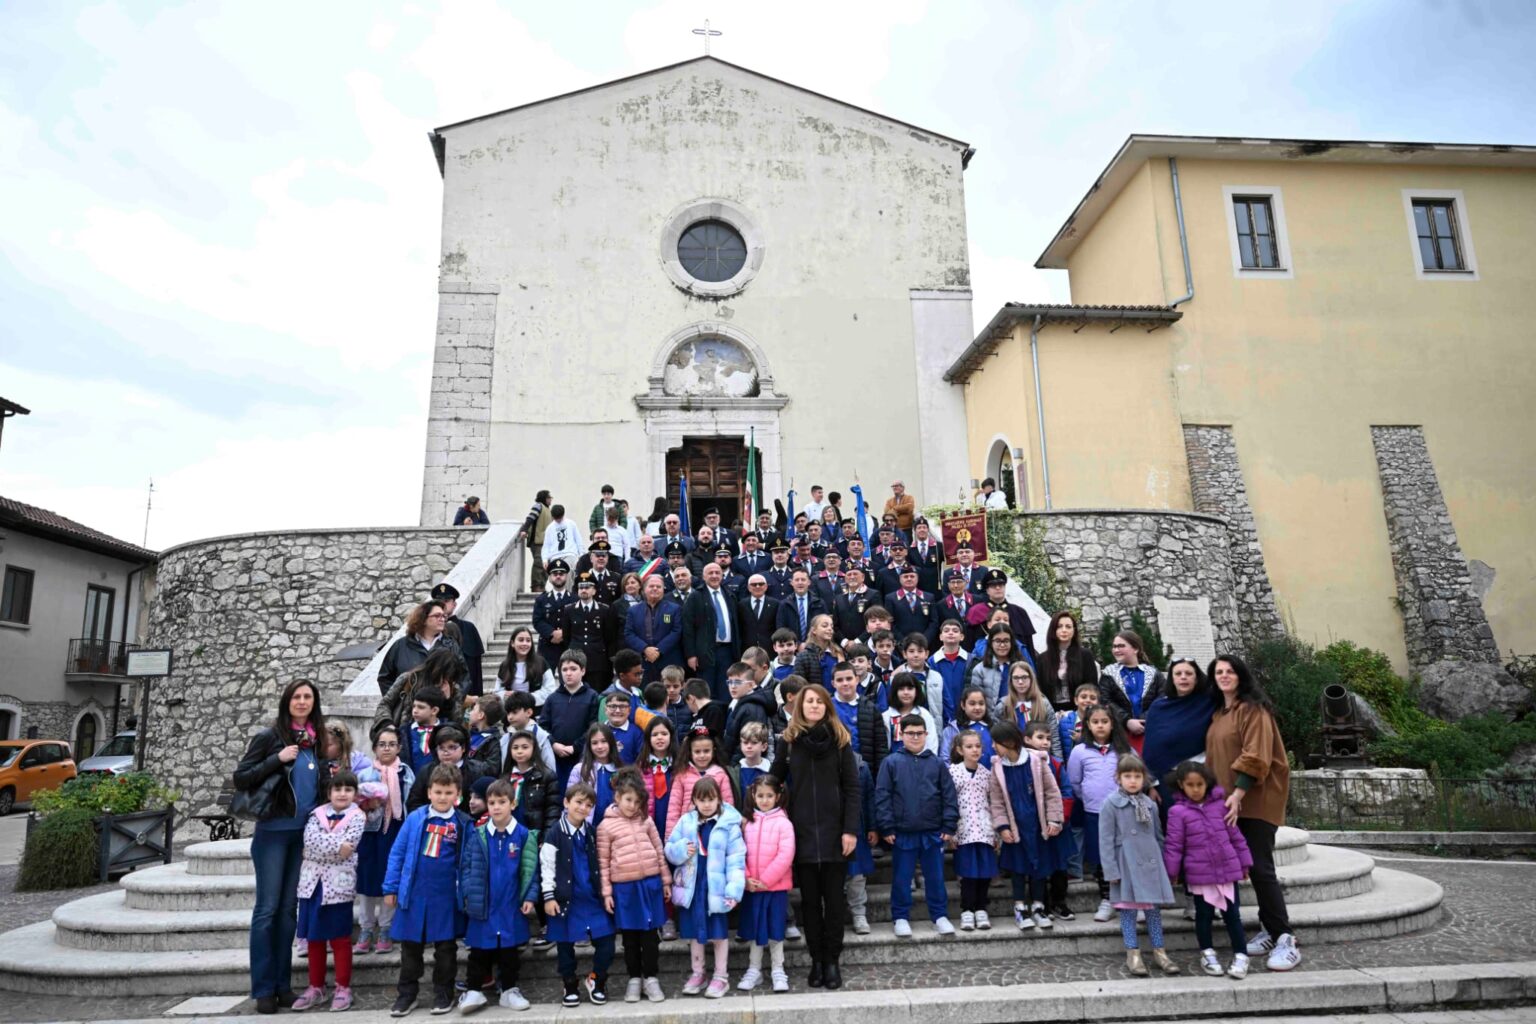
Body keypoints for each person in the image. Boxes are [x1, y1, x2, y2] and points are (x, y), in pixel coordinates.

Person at [235, 679, 331, 1015]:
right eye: (296, 697)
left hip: (301, 836)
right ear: (287, 702)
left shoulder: (317, 741)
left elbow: (319, 789)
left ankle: (282, 985)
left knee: (289, 913)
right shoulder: (270, 737)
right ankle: (262, 988)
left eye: (308, 697)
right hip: (273, 833)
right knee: (267, 911)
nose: (302, 702)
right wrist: (277, 758)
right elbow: (241, 777)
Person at [1205, 653, 1300, 972]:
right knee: (1247, 868)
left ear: (1241, 675)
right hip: (1229, 802)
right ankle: (1270, 930)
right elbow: (1215, 759)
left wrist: (1238, 792)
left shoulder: (1253, 710)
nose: (1224, 676)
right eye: (1218, 672)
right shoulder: (1221, 713)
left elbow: (1256, 755)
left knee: (1260, 867)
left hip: (1255, 800)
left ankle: (1285, 936)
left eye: (1230, 671)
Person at [768, 684, 859, 990]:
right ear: (799, 706)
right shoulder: (789, 741)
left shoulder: (841, 740)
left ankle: (832, 961)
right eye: (809, 701)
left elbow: (852, 789)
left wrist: (850, 829)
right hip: (801, 833)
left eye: (820, 701)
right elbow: (773, 782)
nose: (815, 706)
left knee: (834, 903)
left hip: (835, 834)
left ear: (827, 706)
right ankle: (816, 960)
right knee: (809, 903)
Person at [383, 764, 472, 1017]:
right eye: (438, 792)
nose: (443, 797)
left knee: (446, 949)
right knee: (410, 948)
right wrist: (391, 887)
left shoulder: (463, 824)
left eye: (448, 792)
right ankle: (407, 994)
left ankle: (444, 993)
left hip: (445, 897)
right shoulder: (415, 819)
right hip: (415, 894)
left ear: (458, 795)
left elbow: (468, 861)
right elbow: (398, 853)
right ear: (429, 792)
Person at [1163, 759, 1253, 980]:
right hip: (1199, 874)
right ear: (1181, 785)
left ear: (1207, 784)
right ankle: (1207, 952)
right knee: (1203, 916)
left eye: (1199, 784)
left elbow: (1236, 837)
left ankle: (1241, 955)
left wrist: (1245, 862)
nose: (1195, 790)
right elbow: (1174, 844)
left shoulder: (1221, 806)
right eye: (1190, 785)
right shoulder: (1177, 812)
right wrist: (1172, 872)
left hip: (1226, 870)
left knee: (1232, 915)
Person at [455, 779, 538, 1013]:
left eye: (502, 802)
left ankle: (509, 990)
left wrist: (529, 897)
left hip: (510, 904)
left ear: (513, 803)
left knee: (509, 951)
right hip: (484, 904)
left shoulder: (523, 835)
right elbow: (467, 867)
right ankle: (473, 991)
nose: (496, 807)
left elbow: (530, 870)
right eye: (492, 802)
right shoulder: (478, 834)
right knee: (479, 950)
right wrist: (468, 895)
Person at [877, 713, 958, 939]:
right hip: (903, 832)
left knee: (935, 876)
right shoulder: (891, 762)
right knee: (902, 877)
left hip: (933, 831)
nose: (914, 737)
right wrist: (887, 827)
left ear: (926, 734)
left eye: (919, 733)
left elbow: (949, 796)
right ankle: (901, 916)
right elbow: (883, 796)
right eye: (910, 733)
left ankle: (939, 915)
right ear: (901, 735)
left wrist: (949, 825)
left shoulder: (937, 763)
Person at [290, 767, 365, 1011]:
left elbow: (349, 847)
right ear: (329, 791)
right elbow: (309, 840)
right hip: (313, 885)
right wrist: (336, 846)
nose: (342, 793)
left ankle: (343, 986)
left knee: (340, 938)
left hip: (338, 886)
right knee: (314, 938)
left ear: (354, 793)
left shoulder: (357, 816)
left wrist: (322, 849)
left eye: (348, 789)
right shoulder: (316, 815)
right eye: (337, 788)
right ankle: (316, 986)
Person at [1100, 754, 1180, 977]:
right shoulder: (1110, 804)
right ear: (1118, 777)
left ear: (1144, 779)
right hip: (1125, 864)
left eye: (1137, 776)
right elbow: (1105, 840)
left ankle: (1159, 951)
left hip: (1150, 865)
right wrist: (1111, 871)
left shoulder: (1150, 805)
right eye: (1127, 776)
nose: (1133, 781)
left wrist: (1165, 865)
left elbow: (1158, 836)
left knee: (1153, 912)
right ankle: (1132, 953)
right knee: (1128, 912)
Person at [665, 776, 745, 998]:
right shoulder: (686, 822)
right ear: (694, 801)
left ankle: (721, 976)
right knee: (694, 933)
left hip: (716, 889)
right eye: (702, 800)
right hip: (693, 888)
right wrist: (682, 849)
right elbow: (669, 849)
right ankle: (698, 972)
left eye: (711, 799)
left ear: (719, 799)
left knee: (718, 933)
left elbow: (737, 858)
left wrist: (733, 890)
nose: (707, 804)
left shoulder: (728, 824)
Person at [596, 768, 670, 1004]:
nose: (632, 805)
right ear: (617, 797)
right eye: (628, 800)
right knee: (630, 938)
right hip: (624, 889)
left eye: (637, 802)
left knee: (650, 936)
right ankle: (634, 979)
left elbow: (659, 851)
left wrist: (666, 879)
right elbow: (603, 862)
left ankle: (651, 978)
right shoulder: (605, 827)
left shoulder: (646, 821)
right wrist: (607, 891)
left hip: (649, 884)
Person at [541, 783, 616, 1007]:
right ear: (566, 802)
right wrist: (548, 896)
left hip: (591, 898)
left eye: (588, 805)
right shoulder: (554, 833)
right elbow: (547, 866)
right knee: (565, 946)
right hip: (565, 899)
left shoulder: (592, 833)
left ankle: (597, 979)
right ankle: (570, 983)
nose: (583, 808)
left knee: (607, 943)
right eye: (578, 802)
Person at [355, 726, 415, 956]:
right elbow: (354, 805)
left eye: (391, 744)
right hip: (370, 833)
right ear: (374, 749)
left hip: (396, 831)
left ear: (399, 747)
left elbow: (410, 801)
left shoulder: (406, 772)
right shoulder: (365, 774)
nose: (387, 748)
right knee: (368, 881)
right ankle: (366, 928)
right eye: (382, 744)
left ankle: (386, 928)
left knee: (391, 880)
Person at [1069, 705, 1130, 922]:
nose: (1100, 725)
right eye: (1095, 722)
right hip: (1095, 812)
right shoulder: (1079, 751)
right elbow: (1075, 781)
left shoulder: (1124, 749)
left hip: (1123, 812)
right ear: (1088, 725)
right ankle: (1107, 898)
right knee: (1102, 857)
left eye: (1105, 721)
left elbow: (1135, 774)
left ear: (1112, 723)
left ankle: (1132, 899)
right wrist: (1089, 796)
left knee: (1125, 855)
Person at [736, 775, 794, 992]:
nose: (765, 800)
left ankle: (778, 969)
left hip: (774, 888)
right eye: (760, 795)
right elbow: (739, 852)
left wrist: (766, 880)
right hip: (752, 888)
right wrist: (746, 878)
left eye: (769, 796)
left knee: (775, 930)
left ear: (778, 796)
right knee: (755, 930)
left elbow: (785, 855)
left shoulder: (784, 823)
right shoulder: (747, 823)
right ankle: (754, 969)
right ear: (753, 795)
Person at [1142, 658, 1219, 809]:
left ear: (1196, 678)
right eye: (1178, 673)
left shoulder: (1209, 702)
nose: (1183, 677)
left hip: (1200, 779)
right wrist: (1151, 785)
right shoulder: (1159, 707)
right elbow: (1151, 748)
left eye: (1189, 673)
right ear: (1172, 678)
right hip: (1166, 780)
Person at [948, 729, 999, 931]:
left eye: (978, 746)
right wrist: (951, 830)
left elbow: (993, 802)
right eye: (969, 746)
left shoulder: (987, 774)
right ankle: (967, 909)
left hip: (985, 830)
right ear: (960, 750)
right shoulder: (952, 772)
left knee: (985, 871)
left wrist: (996, 831)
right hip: (964, 830)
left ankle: (981, 908)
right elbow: (948, 802)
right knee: (968, 872)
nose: (974, 750)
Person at [539, 651, 600, 792]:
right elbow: (543, 726)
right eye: (564, 670)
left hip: (581, 758)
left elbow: (593, 726)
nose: (568, 673)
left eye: (573, 669)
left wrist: (575, 747)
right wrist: (553, 744)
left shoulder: (592, 697)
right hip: (556, 758)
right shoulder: (552, 698)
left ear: (583, 671)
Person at [681, 562, 740, 703]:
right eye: (710, 573)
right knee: (707, 691)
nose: (714, 576)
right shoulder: (696, 596)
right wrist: (691, 655)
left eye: (717, 573)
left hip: (727, 651)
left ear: (722, 575)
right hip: (705, 652)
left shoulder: (729, 595)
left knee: (726, 692)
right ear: (703, 576)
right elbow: (688, 628)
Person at [377, 602, 461, 695]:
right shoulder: (400, 646)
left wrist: (452, 699)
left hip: (443, 706)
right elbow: (384, 678)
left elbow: (464, 678)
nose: (442, 619)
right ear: (423, 619)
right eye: (437, 616)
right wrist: (399, 700)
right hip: (409, 707)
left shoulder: (451, 645)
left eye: (443, 616)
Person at [666, 727, 736, 838]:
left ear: (714, 750)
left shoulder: (721, 774)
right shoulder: (682, 775)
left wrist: (729, 836)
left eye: (706, 751)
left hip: (715, 834)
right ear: (690, 752)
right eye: (697, 752)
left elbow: (728, 808)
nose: (702, 755)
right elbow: (674, 809)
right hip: (687, 834)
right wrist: (671, 839)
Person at [1099, 630, 1168, 742]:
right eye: (1114, 646)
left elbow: (1163, 698)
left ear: (1135, 649)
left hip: (1152, 730)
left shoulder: (1154, 674)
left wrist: (1143, 720)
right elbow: (1105, 701)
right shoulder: (1108, 673)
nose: (1116, 650)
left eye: (1121, 646)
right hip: (1120, 735)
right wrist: (1127, 721)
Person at [405, 724, 487, 813]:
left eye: (451, 747)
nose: (446, 753)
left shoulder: (476, 771)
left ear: (463, 748)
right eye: (441, 748)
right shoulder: (427, 771)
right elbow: (414, 801)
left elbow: (482, 805)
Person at [995, 661, 1063, 759]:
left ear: (1031, 679)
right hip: (1015, 761)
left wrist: (1058, 761)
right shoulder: (1002, 706)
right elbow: (998, 739)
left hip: (1042, 759)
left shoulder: (1043, 703)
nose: (1020, 682)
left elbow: (1054, 736)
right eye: (1016, 678)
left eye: (1024, 677)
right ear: (1011, 680)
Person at [624, 575, 684, 684]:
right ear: (644, 589)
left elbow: (676, 631)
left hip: (668, 661)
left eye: (658, 586)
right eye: (651, 586)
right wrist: (645, 649)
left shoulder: (675, 609)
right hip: (642, 663)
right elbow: (629, 633)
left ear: (663, 590)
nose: (655, 588)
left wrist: (658, 651)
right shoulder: (633, 611)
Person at [431, 582, 485, 696]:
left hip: (466, 694)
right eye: (439, 601)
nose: (442, 604)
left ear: (454, 604)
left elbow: (476, 670)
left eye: (446, 601)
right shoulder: (429, 630)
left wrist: (477, 698)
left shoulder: (468, 628)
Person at [1038, 611, 1099, 710]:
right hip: (1051, 713)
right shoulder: (1042, 659)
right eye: (1059, 626)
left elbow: (1092, 686)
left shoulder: (1085, 655)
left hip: (1080, 712)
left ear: (1074, 630)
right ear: (1053, 630)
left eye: (1068, 626)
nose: (1064, 630)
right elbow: (1041, 691)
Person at [967, 623, 1027, 711]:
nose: (1002, 645)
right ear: (991, 642)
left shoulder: (1022, 667)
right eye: (998, 641)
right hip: (991, 719)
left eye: (1006, 641)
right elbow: (976, 700)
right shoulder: (980, 669)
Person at [495, 627, 557, 707]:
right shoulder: (505, 665)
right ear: (512, 643)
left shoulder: (541, 663)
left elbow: (550, 689)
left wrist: (527, 698)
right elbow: (497, 691)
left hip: (535, 711)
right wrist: (504, 695)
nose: (525, 643)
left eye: (528, 640)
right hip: (511, 711)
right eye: (521, 640)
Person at [939, 686, 996, 769]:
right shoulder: (953, 729)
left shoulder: (993, 728)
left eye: (981, 703)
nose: (977, 707)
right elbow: (945, 758)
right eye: (972, 704)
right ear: (963, 705)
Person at [927, 619, 971, 724]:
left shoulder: (971, 660)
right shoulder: (932, 662)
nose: (951, 633)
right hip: (941, 715)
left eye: (955, 631)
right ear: (940, 636)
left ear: (962, 637)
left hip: (966, 714)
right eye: (946, 631)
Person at [531, 560, 574, 667]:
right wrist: (551, 633)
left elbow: (578, 621)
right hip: (547, 645)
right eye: (555, 574)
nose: (558, 576)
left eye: (561, 574)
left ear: (566, 576)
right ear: (549, 578)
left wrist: (563, 633)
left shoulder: (574, 599)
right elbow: (537, 621)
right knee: (544, 681)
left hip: (568, 646)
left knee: (568, 681)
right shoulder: (541, 599)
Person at [516, 490, 554, 590]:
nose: (551, 500)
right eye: (549, 498)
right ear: (545, 498)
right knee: (539, 563)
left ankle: (542, 585)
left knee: (547, 565)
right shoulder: (538, 506)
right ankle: (536, 586)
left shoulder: (548, 510)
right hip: (537, 541)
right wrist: (524, 530)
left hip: (546, 542)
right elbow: (530, 518)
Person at [791, 613, 838, 689]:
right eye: (825, 626)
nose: (830, 629)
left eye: (831, 626)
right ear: (814, 630)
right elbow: (799, 686)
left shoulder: (838, 653)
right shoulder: (803, 656)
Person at [736, 575, 780, 652]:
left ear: (766, 586)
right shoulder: (741, 605)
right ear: (748, 588)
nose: (757, 586)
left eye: (761, 584)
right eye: (754, 584)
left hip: (769, 649)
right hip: (747, 650)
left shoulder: (775, 604)